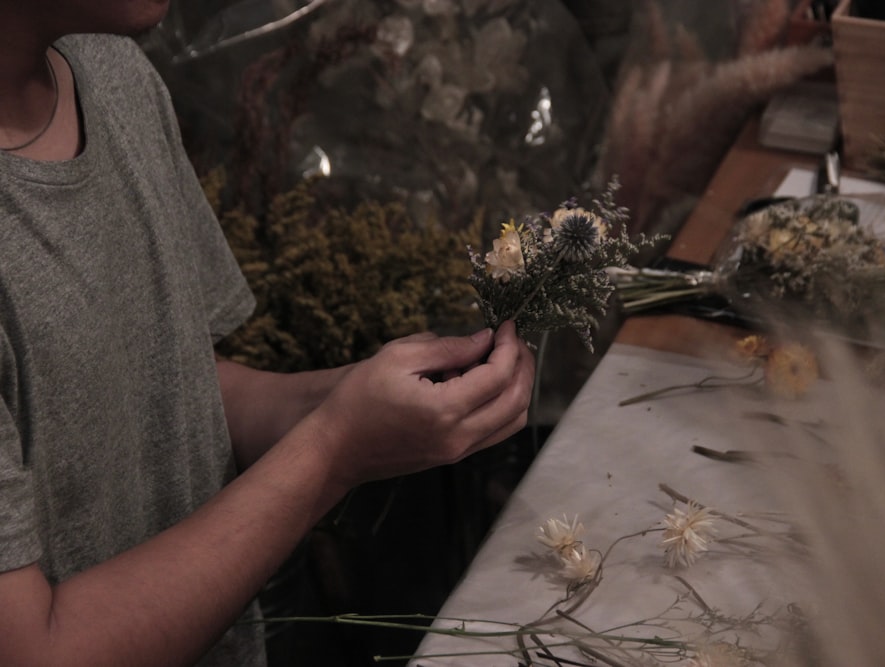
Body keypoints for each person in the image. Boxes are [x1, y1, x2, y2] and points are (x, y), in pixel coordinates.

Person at [0, 2, 535, 666]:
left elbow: (172, 394)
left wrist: (361, 400)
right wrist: (335, 449)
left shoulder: (111, 75)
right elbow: (34, 650)